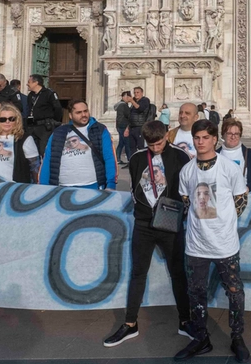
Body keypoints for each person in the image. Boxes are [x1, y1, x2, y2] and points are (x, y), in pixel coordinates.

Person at [103, 120, 192, 348]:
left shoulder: (180, 157)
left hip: (170, 221)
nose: (155, 147)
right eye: (151, 144)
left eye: (159, 143)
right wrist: (144, 210)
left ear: (166, 137)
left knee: (178, 272)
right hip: (143, 223)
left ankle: (186, 320)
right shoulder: (136, 158)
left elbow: (187, 189)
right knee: (138, 273)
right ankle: (130, 323)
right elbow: (135, 189)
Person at [174, 119, 250, 362]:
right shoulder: (187, 170)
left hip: (225, 244)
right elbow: (186, 198)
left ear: (215, 140)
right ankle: (200, 338)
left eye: (205, 137)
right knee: (196, 293)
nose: (200, 142)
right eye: (197, 137)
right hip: (196, 245)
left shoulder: (229, 167)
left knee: (235, 292)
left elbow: (241, 197)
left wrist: (226, 221)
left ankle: (237, 337)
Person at [40, 99, 116, 190]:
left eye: (85, 111)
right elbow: (48, 160)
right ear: (70, 116)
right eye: (79, 112)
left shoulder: (100, 130)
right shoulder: (58, 133)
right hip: (63, 188)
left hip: (93, 186)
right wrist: (43, 187)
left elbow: (109, 158)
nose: (83, 115)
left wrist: (111, 184)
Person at [217, 117, 251, 190]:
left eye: (236, 134)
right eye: (229, 133)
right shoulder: (215, 155)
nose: (233, 137)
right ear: (223, 135)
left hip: (242, 198)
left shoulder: (249, 154)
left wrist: (248, 188)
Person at [25, 75, 62, 156]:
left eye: (29, 82)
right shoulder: (30, 95)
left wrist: (54, 121)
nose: (27, 84)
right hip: (32, 127)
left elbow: (58, 109)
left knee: (43, 151)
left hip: (45, 128)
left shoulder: (49, 93)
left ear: (36, 83)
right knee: (31, 151)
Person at [125, 86, 154, 158]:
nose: (136, 94)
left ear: (142, 93)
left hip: (140, 127)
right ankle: (133, 162)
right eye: (134, 93)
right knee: (132, 147)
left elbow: (140, 109)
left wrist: (132, 101)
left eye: (138, 92)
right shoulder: (134, 101)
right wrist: (127, 128)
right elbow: (131, 116)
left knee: (141, 146)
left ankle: (143, 162)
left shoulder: (145, 100)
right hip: (132, 127)